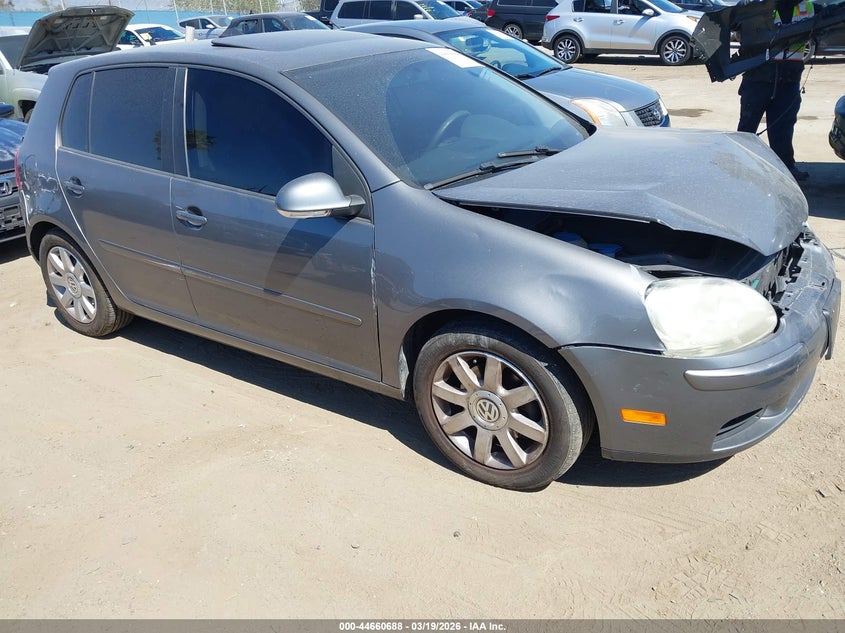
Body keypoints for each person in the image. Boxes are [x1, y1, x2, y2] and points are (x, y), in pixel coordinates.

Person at [737, 0, 814, 181]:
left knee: (783, 127)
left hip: (789, 79)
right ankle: (741, 167)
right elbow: (739, 30)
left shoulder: (807, 6)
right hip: (758, 78)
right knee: (747, 127)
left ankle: (785, 169)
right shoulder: (755, 5)